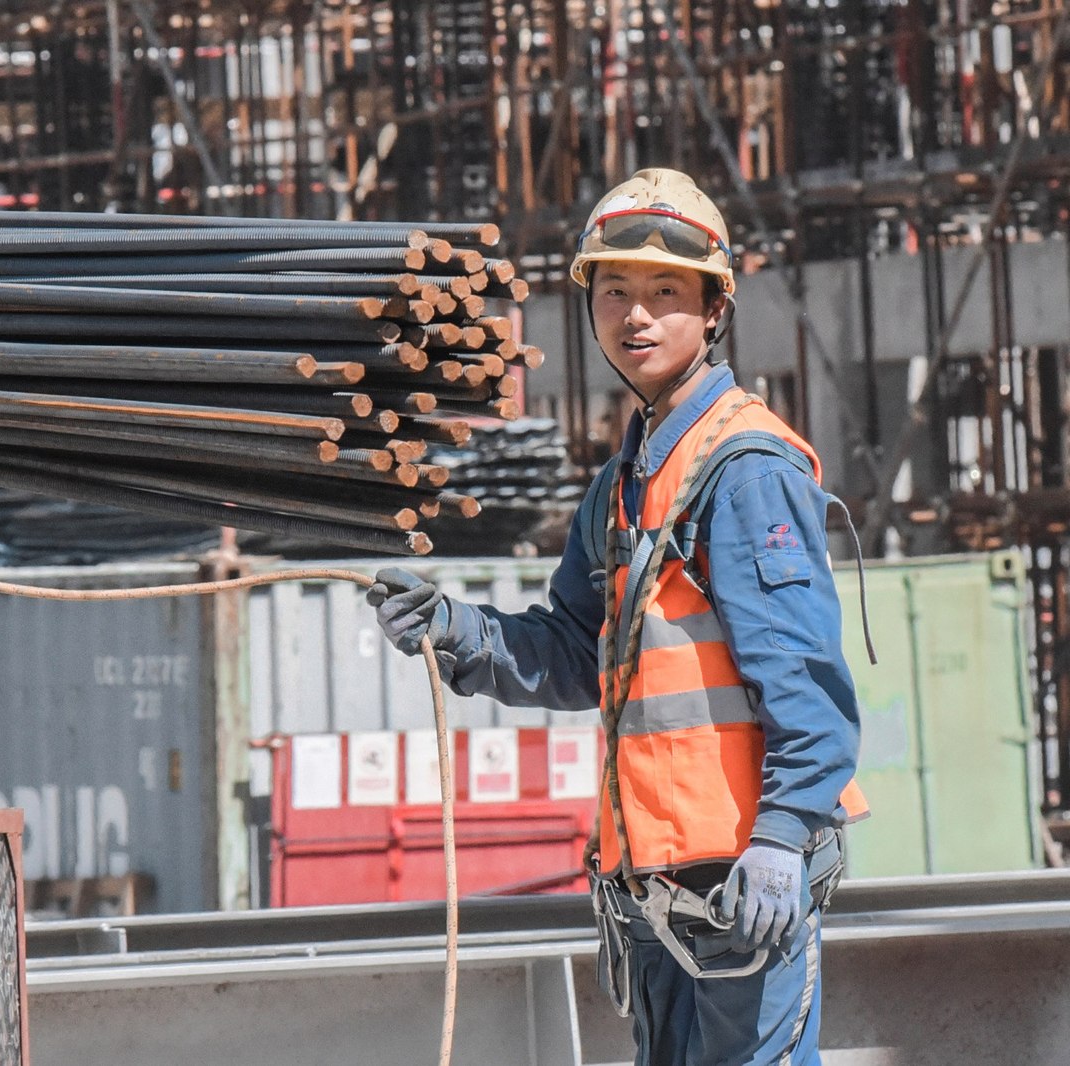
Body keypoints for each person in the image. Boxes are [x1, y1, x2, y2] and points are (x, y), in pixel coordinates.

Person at [368, 168, 868, 1066]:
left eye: (665, 292)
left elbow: (807, 687)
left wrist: (785, 838)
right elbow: (574, 653)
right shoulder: (619, 490)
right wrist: (457, 631)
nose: (636, 315)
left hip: (742, 885)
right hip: (655, 899)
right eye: (615, 292)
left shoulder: (743, 471)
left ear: (714, 309)